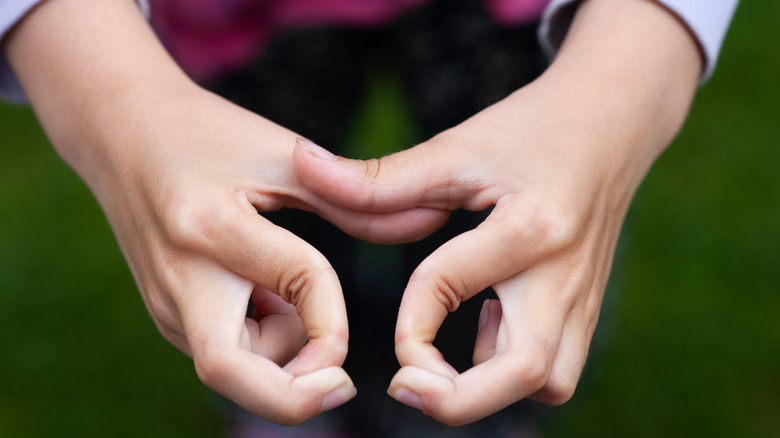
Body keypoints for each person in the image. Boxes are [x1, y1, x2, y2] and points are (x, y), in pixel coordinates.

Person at [0, 0, 738, 433]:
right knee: (250, 257)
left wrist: (612, 96)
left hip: (532, 19)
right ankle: (282, 395)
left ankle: (481, 405)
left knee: (513, 264)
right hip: (234, 11)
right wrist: (119, 104)